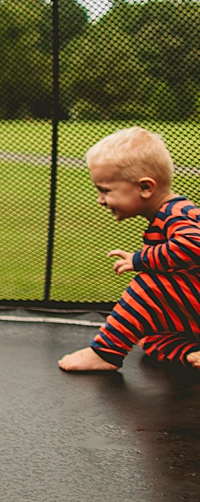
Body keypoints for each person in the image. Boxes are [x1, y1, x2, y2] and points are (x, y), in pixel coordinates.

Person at [59, 127, 200, 372]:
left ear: (145, 187)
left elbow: (194, 245)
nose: (100, 200)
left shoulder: (179, 213)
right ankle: (191, 354)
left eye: (105, 190)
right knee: (151, 337)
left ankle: (106, 351)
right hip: (190, 314)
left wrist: (139, 259)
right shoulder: (166, 215)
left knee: (150, 285)